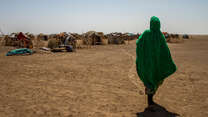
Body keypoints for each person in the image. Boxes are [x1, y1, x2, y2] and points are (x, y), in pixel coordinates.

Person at [136, 16, 177, 106]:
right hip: (157, 64)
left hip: (147, 63)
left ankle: (150, 101)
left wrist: (144, 53)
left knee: (150, 80)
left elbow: (138, 43)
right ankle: (150, 101)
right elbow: (165, 50)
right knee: (154, 80)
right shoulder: (160, 35)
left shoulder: (147, 33)